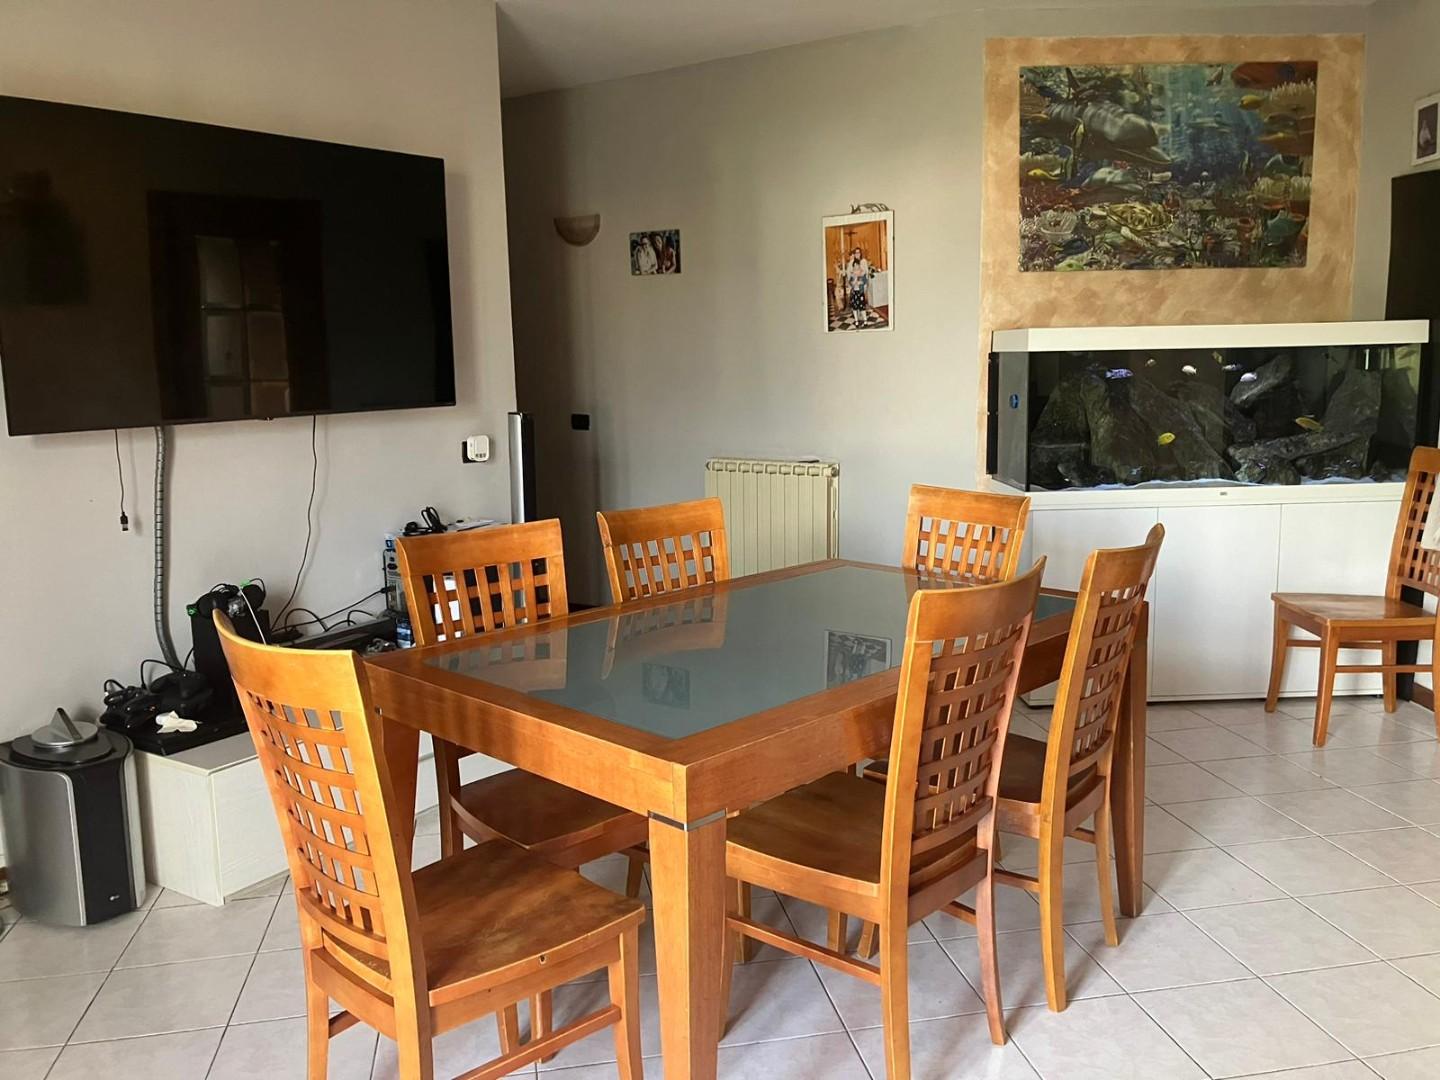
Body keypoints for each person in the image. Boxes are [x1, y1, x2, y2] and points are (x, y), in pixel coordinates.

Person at [843, 246, 871, 327]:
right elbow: (849, 274)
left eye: (859, 252)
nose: (857, 254)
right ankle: (856, 320)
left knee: (862, 305)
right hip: (854, 288)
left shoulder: (863, 261)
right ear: (854, 254)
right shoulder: (851, 262)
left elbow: (866, 273)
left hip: (861, 287)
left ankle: (864, 319)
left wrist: (864, 283)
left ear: (860, 253)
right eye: (856, 253)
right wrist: (853, 281)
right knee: (855, 306)